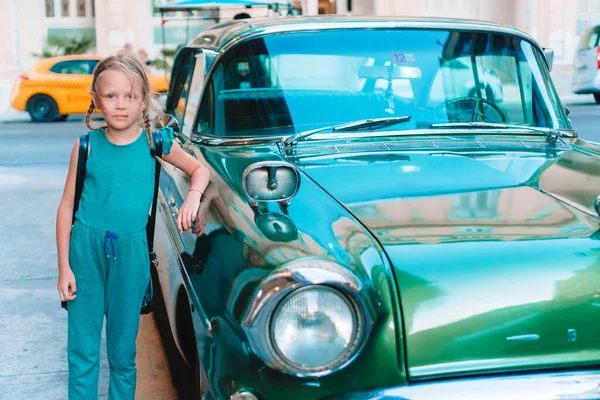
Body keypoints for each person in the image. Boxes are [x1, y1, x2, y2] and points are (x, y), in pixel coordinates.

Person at [55, 53, 210, 399]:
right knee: (82, 352)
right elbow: (66, 208)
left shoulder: (156, 142)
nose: (121, 105)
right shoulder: (85, 147)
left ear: (143, 98)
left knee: (124, 355)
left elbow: (200, 170)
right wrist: (64, 267)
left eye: (130, 96)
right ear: (96, 98)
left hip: (131, 254)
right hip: (84, 252)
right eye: (111, 96)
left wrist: (193, 198)